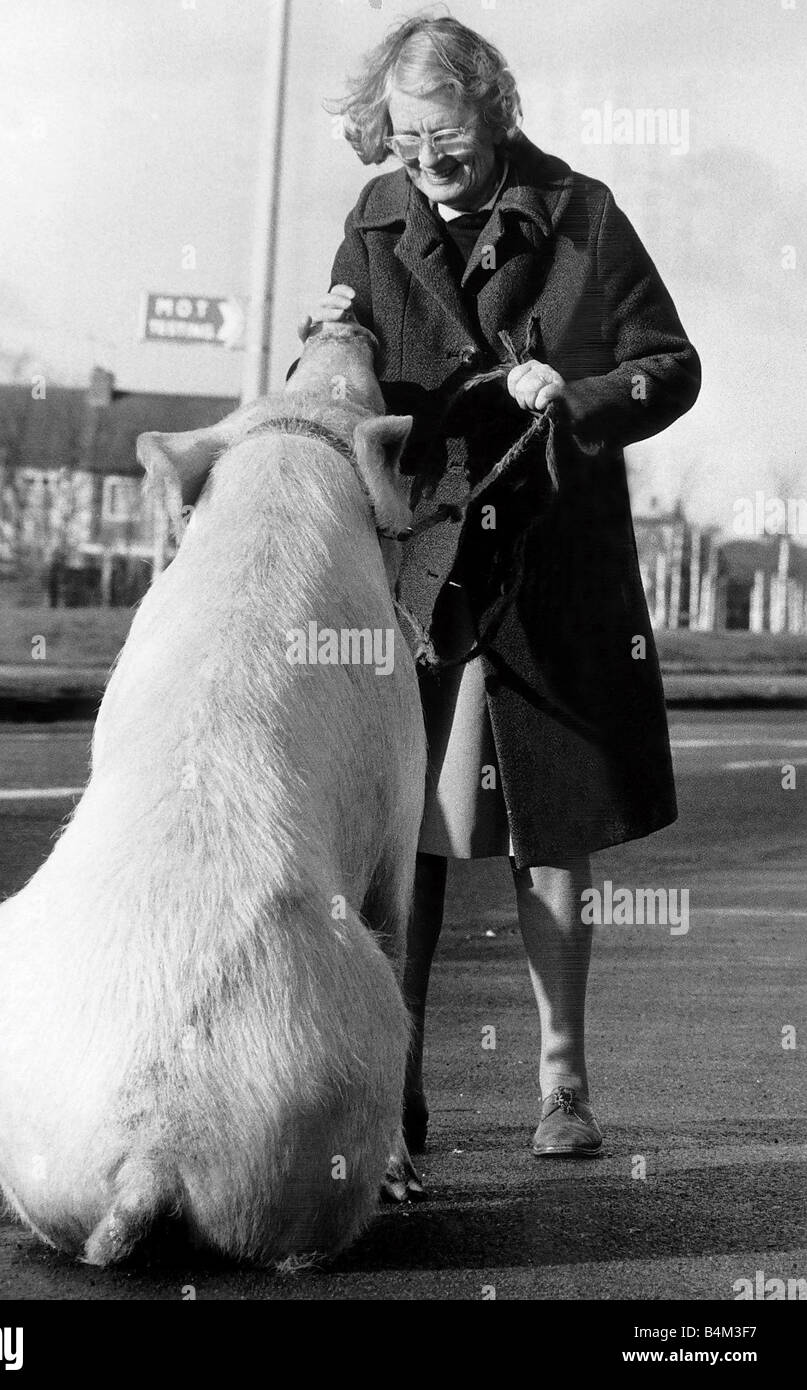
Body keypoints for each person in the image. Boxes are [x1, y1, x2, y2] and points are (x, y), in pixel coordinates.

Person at [298, 14, 701, 1168]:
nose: (429, 157)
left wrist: (569, 396)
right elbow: (347, 358)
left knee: (550, 827)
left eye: (451, 134)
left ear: (496, 112)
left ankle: (562, 1082)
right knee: (405, 828)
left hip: (551, 556)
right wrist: (322, 343)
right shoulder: (374, 220)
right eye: (409, 134)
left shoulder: (582, 213)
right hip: (423, 557)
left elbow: (667, 366)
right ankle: (396, 1097)